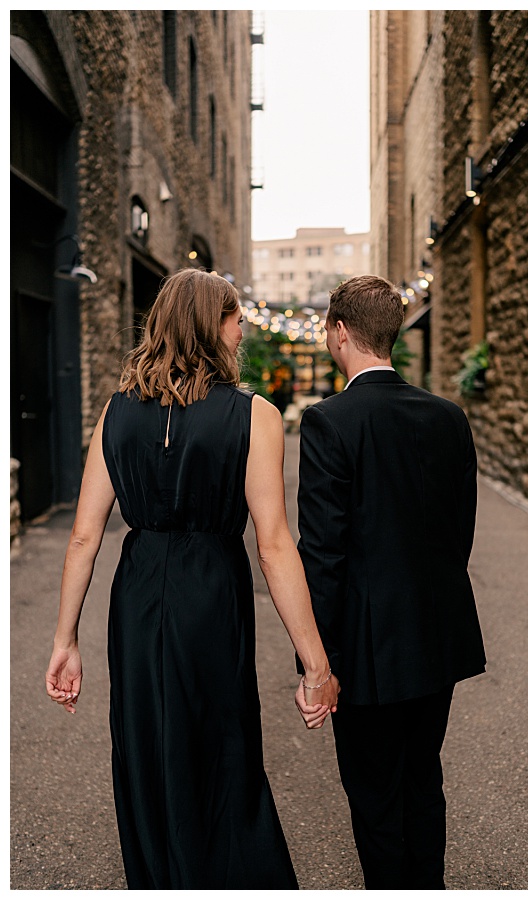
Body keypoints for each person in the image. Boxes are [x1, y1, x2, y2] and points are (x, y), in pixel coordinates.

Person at [44, 268, 340, 889]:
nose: (242, 334)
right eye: (236, 321)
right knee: (221, 743)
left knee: (147, 744)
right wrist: (315, 662)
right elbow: (274, 543)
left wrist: (65, 640)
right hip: (211, 593)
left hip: (138, 591)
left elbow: (84, 534)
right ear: (214, 325)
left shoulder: (116, 411)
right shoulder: (254, 415)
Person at [295, 275, 486, 889]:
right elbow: (461, 534)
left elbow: (322, 555)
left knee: (375, 797)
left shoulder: (328, 422)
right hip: (436, 635)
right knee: (422, 778)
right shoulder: (448, 417)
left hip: (366, 647)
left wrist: (318, 662)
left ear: (340, 332)